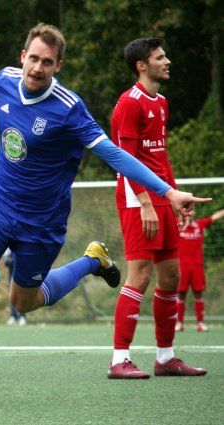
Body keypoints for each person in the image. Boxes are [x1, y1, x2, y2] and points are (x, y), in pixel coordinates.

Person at [0, 23, 210, 403]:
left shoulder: (69, 109)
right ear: (23, 57)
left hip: (42, 222)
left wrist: (167, 191)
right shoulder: (4, 81)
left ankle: (92, 261)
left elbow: (116, 155)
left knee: (23, 302)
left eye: (48, 62)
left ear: (58, 66)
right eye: (34, 58)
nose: (38, 68)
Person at [108, 38, 207, 379]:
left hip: (163, 199)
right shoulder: (128, 104)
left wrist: (176, 197)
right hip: (138, 201)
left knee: (171, 276)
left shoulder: (161, 102)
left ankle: (165, 358)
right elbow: (126, 160)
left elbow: (159, 156)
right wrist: (147, 202)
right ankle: (119, 359)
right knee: (141, 274)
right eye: (159, 57)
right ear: (141, 65)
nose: (167, 61)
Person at [176, 209, 224, 332]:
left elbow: (214, 216)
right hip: (182, 266)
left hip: (197, 266)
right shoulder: (177, 225)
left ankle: (200, 323)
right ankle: (179, 323)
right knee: (181, 294)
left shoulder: (200, 225)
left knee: (198, 293)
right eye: (187, 211)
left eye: (192, 211)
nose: (190, 213)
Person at [4, 248, 27, 325]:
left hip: (23, 275)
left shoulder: (25, 246)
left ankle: (22, 316)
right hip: (12, 277)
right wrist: (16, 260)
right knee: (13, 296)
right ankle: (13, 316)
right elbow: (6, 262)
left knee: (23, 295)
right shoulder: (9, 248)